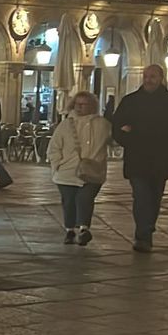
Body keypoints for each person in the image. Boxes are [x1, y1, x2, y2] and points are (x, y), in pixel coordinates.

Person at [112, 64, 168, 253]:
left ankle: (147, 226)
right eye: (146, 76)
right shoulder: (130, 101)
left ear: (161, 78)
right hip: (137, 157)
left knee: (155, 197)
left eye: (153, 76)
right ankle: (143, 235)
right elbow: (116, 125)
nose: (148, 80)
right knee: (141, 196)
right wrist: (127, 139)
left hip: (161, 158)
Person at [50, 91, 113, 245]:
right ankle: (70, 230)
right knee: (69, 201)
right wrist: (57, 164)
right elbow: (54, 147)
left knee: (85, 198)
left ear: (92, 106)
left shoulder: (103, 124)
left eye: (84, 104)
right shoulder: (65, 125)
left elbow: (114, 140)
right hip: (67, 171)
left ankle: (84, 228)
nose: (80, 107)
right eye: (77, 104)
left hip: (93, 171)